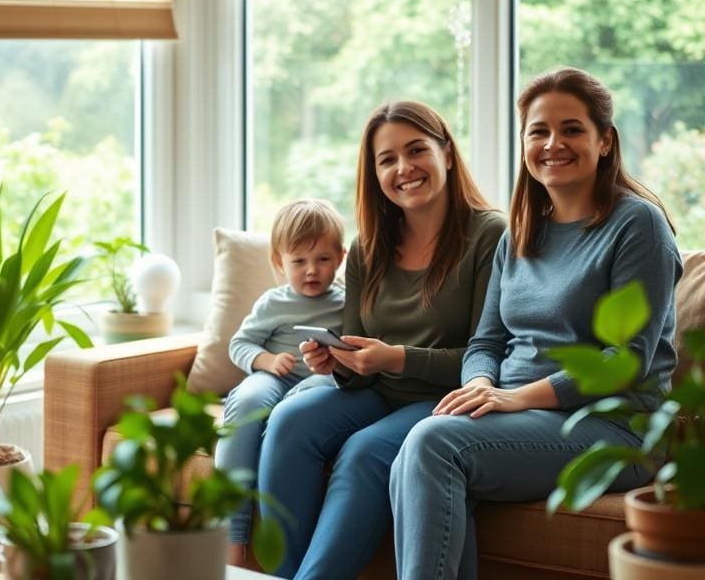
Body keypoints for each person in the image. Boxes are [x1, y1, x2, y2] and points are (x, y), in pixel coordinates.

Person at [389, 68, 682, 580]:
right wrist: (480, 382)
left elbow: (627, 361)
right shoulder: (520, 232)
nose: (553, 144)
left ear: (605, 140)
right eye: (538, 131)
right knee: (412, 450)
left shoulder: (638, 225)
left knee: (432, 443)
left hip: (615, 426)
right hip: (519, 415)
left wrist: (516, 397)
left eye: (571, 129)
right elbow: (486, 341)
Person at [256, 101, 506, 579]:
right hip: (375, 392)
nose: (403, 169)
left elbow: (487, 356)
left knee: (365, 451)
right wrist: (337, 362)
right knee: (288, 420)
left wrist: (396, 358)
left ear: (447, 154)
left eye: (417, 151)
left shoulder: (488, 235)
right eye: (386, 159)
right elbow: (357, 350)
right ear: (373, 173)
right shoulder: (369, 244)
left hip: (443, 399)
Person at [215, 197, 347, 566]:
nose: (311, 271)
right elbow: (239, 344)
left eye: (323, 259)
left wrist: (337, 362)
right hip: (274, 377)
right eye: (299, 261)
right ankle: (232, 536)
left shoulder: (348, 304)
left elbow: (353, 359)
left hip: (320, 386)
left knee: (298, 407)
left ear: (341, 257)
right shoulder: (273, 302)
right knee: (246, 402)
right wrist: (267, 361)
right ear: (279, 262)